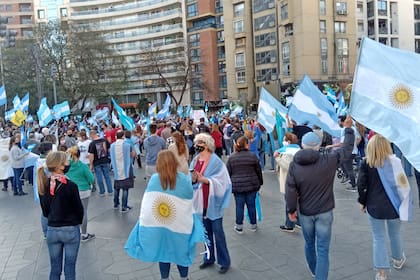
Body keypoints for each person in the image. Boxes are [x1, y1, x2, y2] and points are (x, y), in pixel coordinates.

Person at [125, 150, 205, 280]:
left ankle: (164, 277)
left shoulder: (155, 179)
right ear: (174, 162)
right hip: (180, 224)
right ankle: (184, 277)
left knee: (163, 252)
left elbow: (148, 202)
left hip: (160, 223)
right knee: (181, 250)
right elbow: (188, 196)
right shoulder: (183, 179)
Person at [285, 132, 343, 280]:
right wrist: (348, 130)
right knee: (323, 249)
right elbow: (348, 149)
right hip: (324, 210)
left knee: (309, 243)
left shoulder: (295, 165)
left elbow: (290, 190)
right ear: (319, 146)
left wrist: (291, 210)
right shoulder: (329, 160)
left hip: (305, 211)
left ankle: (314, 270)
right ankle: (320, 276)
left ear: (302, 145)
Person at [357, 135, 409, 280]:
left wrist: (363, 202)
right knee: (395, 234)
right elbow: (403, 184)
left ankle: (382, 272)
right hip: (394, 205)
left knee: (378, 238)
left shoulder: (366, 163)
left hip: (374, 206)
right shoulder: (396, 162)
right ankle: (398, 260)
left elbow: (361, 185)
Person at [37, 151, 84, 280]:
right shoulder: (70, 186)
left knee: (55, 268)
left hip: (52, 230)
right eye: (67, 161)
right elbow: (79, 209)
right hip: (70, 229)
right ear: (60, 166)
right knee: (70, 267)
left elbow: (45, 211)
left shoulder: (43, 184)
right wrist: (77, 222)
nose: (69, 163)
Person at [190, 133, 232, 274]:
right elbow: (190, 178)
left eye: (200, 143)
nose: (197, 145)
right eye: (196, 143)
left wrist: (206, 180)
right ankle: (209, 258)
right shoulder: (195, 160)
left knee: (218, 233)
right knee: (206, 234)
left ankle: (224, 261)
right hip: (200, 203)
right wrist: (193, 179)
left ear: (207, 145)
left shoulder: (216, 161)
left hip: (213, 202)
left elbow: (224, 182)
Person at [226, 136, 263, 234]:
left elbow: (228, 173)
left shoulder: (232, 157)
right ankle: (253, 225)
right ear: (246, 144)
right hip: (251, 184)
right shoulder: (252, 156)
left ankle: (239, 226)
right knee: (251, 205)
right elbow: (258, 171)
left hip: (237, 186)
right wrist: (260, 182)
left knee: (239, 206)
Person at [66, 146, 95, 242]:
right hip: (83, 190)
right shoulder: (82, 166)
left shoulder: (66, 166)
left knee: (72, 211)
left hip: (70, 191)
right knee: (83, 212)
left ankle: (74, 232)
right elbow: (91, 178)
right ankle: (84, 234)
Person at [274, 132, 301, 232]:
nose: (283, 141)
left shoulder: (288, 152)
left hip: (289, 181)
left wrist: (277, 157)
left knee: (290, 203)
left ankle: (289, 224)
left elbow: (287, 165)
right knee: (297, 202)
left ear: (288, 141)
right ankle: (299, 222)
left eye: (284, 139)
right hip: (298, 179)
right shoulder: (297, 149)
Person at [110, 131, 135, 212]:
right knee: (125, 188)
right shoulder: (127, 145)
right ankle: (124, 206)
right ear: (123, 136)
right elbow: (132, 155)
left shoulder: (112, 146)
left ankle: (116, 204)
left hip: (116, 169)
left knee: (117, 187)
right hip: (126, 168)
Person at [88, 129, 113, 196]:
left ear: (92, 135)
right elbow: (109, 150)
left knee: (99, 177)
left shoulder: (92, 144)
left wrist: (91, 164)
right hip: (105, 160)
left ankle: (102, 191)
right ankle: (110, 190)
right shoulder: (104, 140)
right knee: (107, 176)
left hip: (97, 162)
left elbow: (91, 155)